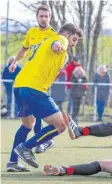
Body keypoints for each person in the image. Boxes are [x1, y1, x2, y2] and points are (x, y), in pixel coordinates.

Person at [6, 23, 83, 172]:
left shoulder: (45, 42)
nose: (74, 43)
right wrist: (58, 45)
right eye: (74, 39)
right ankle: (26, 147)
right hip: (33, 88)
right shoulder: (61, 40)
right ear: (68, 34)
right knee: (60, 125)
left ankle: (12, 163)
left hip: (20, 85)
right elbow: (58, 43)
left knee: (27, 125)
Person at [7, 5, 58, 158]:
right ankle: (40, 143)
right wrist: (15, 61)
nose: (44, 18)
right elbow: (23, 49)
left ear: (50, 17)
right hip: (27, 80)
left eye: (46, 16)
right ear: (37, 17)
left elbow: (59, 50)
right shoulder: (32, 32)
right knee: (31, 121)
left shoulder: (53, 35)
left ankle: (14, 160)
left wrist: (58, 46)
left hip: (39, 80)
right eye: (41, 16)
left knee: (30, 122)